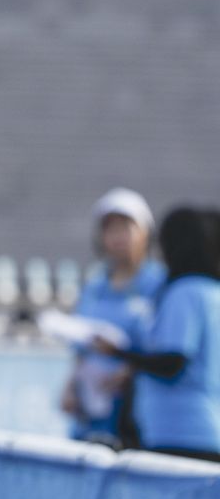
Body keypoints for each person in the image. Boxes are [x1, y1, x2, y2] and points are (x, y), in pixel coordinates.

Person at [94, 206, 220, 462]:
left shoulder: (185, 292)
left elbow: (173, 362)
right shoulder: (211, 291)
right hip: (208, 431)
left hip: (181, 435)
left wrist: (119, 353)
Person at [60, 188, 164, 446]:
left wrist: (130, 371)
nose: (118, 237)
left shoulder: (159, 284)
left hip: (136, 412)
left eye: (126, 228)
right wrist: (71, 387)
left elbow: (164, 349)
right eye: (111, 229)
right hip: (91, 408)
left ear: (145, 233)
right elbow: (82, 346)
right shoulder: (94, 287)